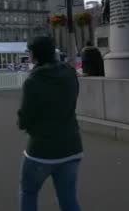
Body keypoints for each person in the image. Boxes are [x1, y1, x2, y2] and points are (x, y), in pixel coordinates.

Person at [17, 36, 83, 211]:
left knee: (29, 193)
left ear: (34, 55)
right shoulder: (69, 73)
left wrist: (26, 123)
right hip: (72, 146)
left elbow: (24, 120)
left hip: (41, 150)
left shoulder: (33, 81)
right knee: (69, 200)